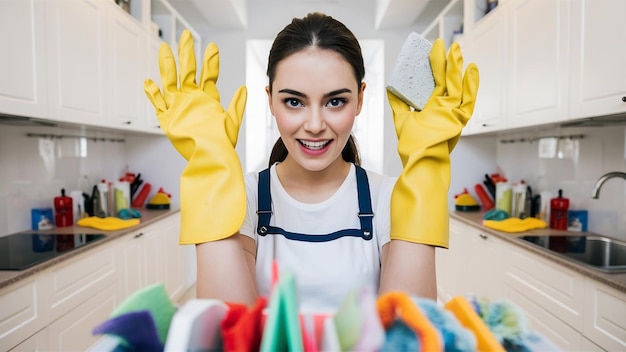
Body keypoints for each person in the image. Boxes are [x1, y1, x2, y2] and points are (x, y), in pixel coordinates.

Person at [144, 12, 478, 312]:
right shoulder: (238, 197)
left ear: (360, 99)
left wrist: (425, 169)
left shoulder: (393, 199)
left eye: (335, 101)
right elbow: (231, 336)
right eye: (294, 101)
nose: (315, 124)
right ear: (270, 101)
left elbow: (407, 336)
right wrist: (209, 168)